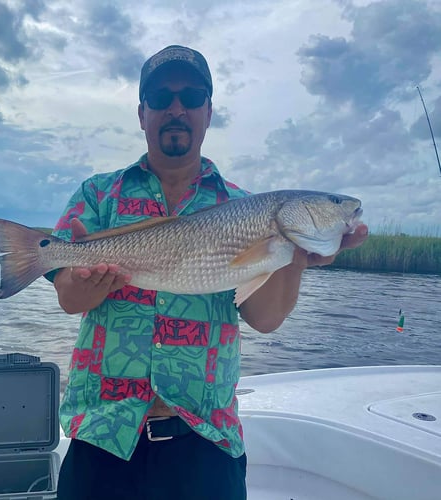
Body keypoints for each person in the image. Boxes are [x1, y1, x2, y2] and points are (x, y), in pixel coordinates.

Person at [49, 45, 368, 500]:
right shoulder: (98, 195)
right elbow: (67, 298)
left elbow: (264, 318)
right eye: (160, 97)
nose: (176, 108)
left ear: (208, 112)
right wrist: (81, 283)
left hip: (205, 440)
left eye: (191, 95)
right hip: (102, 433)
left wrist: (294, 262)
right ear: (142, 113)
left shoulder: (244, 207)